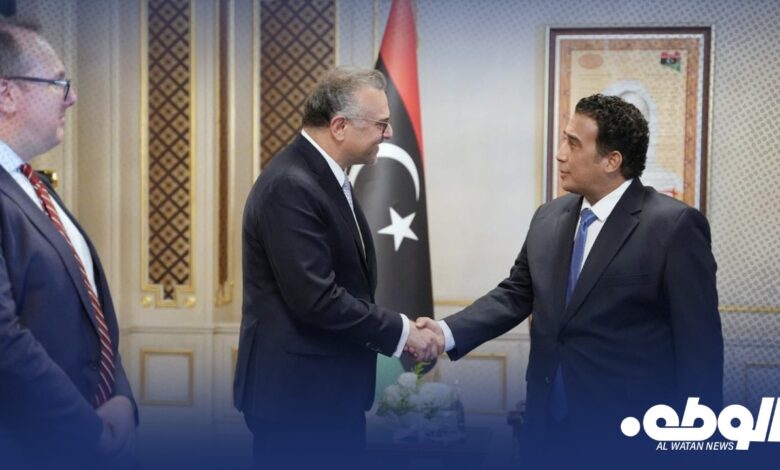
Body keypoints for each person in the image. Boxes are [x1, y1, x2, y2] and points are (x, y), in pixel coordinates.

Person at [418, 94, 723, 461]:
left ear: (612, 160)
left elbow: (700, 351)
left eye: (574, 144)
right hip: (546, 431)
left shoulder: (673, 226)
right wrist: (444, 332)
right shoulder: (548, 217)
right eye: (564, 139)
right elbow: (515, 294)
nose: (560, 154)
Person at [234, 67, 443, 468]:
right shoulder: (291, 185)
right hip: (298, 405)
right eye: (381, 124)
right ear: (340, 126)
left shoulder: (326, 179)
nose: (390, 134)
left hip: (325, 397)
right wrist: (403, 332)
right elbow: (316, 300)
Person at [0, 20, 136, 467]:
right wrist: (88, 431)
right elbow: (4, 341)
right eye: (59, 83)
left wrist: (121, 399)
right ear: (6, 94)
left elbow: (90, 314)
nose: (72, 97)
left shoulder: (33, 184)